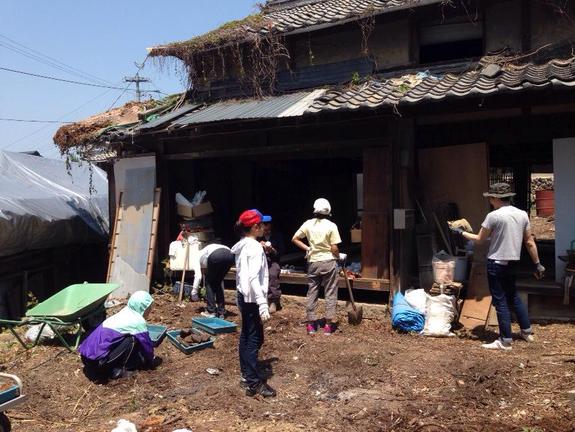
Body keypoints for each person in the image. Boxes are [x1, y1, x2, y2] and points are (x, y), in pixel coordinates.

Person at [450, 183, 545, 351]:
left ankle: (505, 340)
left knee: (500, 301)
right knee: (513, 296)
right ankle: (526, 331)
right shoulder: (522, 214)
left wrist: (460, 232)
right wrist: (537, 264)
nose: (490, 201)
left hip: (497, 263)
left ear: (495, 198)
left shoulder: (493, 216)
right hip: (513, 262)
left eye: (491, 198)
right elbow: (529, 242)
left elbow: (479, 239)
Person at [231, 209, 276, 398]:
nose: (265, 228)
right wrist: (262, 303)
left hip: (244, 296)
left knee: (247, 336)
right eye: (262, 224)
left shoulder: (243, 245)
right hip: (252, 299)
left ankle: (245, 374)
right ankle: (253, 383)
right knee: (254, 339)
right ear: (256, 227)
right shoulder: (255, 248)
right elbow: (252, 278)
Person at [79, 291, 161, 381]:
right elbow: (146, 343)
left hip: (86, 358)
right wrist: (151, 361)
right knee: (132, 340)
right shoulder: (138, 321)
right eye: (149, 308)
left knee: (129, 339)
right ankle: (115, 371)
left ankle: (108, 365)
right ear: (143, 307)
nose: (150, 310)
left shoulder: (126, 311)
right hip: (97, 363)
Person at [292, 198, 343, 336]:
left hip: (313, 262)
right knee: (330, 291)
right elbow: (334, 247)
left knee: (312, 292)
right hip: (328, 262)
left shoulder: (308, 224)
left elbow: (295, 238)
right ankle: (328, 325)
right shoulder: (332, 226)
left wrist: (308, 248)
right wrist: (339, 256)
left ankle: (311, 324)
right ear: (328, 211)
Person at [257, 214, 285, 313]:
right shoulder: (257, 236)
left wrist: (272, 250)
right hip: (259, 260)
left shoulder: (277, 236)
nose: (265, 226)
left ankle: (274, 301)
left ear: (270, 225)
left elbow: (281, 252)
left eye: (266, 224)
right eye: (262, 224)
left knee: (273, 274)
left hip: (273, 260)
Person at [199, 243, 235, 318]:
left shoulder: (199, 257)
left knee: (209, 283)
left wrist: (194, 292)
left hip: (216, 255)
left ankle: (211, 311)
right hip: (230, 256)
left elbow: (200, 274)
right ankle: (221, 311)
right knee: (218, 282)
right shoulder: (207, 249)